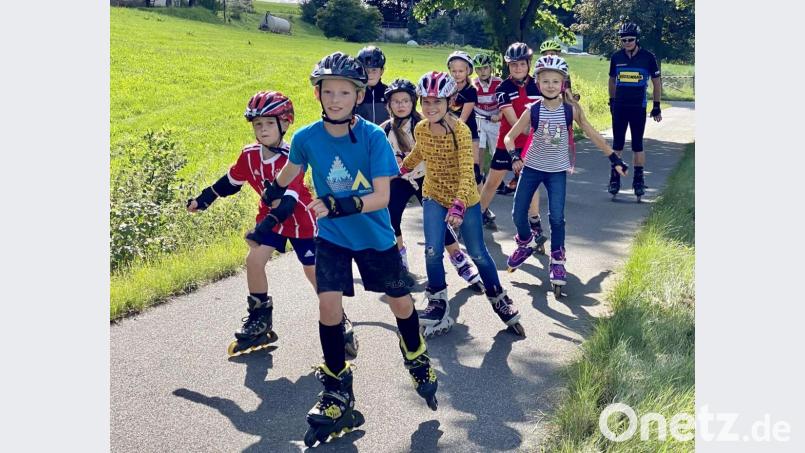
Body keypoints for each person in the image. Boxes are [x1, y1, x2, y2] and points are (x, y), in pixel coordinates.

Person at [264, 52, 438, 447]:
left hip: (374, 237)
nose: (336, 99)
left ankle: (416, 355)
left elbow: (381, 195)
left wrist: (340, 204)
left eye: (345, 92)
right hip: (332, 237)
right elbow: (291, 171)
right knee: (328, 306)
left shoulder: (374, 137)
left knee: (401, 303)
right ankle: (337, 389)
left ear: (359, 96)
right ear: (317, 94)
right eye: (329, 92)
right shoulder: (308, 137)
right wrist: (274, 193)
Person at [186, 91, 357, 358]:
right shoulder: (250, 155)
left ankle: (339, 319)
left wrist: (261, 229)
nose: (262, 130)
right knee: (254, 261)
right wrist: (203, 199)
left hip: (301, 221)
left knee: (314, 274)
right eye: (257, 125)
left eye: (269, 123)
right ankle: (260, 319)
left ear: (285, 123)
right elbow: (230, 182)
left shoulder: (293, 156)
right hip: (269, 222)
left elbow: (288, 203)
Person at [400, 71, 526, 338]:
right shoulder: (421, 128)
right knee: (433, 250)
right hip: (434, 195)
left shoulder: (461, 131)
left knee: (478, 252)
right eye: (426, 102)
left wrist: (459, 204)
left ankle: (498, 297)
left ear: (450, 101)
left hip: (465, 199)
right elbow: (420, 152)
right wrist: (401, 168)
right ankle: (437, 302)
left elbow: (468, 173)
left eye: (437, 102)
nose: (430, 108)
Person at [504, 56, 628, 296]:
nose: (550, 85)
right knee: (517, 212)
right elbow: (510, 136)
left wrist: (614, 158)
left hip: (557, 171)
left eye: (555, 81)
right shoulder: (533, 111)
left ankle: (558, 259)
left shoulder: (570, 111)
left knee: (557, 217)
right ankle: (526, 241)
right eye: (545, 81)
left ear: (563, 83)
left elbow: (592, 134)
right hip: (531, 168)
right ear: (537, 83)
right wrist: (514, 156)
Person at [380, 78, 483, 293]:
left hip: (426, 177)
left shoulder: (423, 123)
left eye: (406, 101)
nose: (401, 105)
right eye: (395, 101)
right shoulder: (384, 129)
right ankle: (400, 260)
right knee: (391, 216)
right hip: (401, 178)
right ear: (388, 105)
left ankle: (458, 257)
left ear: (413, 103)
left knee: (438, 223)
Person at [477, 43, 547, 253]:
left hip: (532, 146)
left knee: (531, 186)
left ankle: (535, 225)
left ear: (528, 65)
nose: (518, 68)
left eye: (522, 64)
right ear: (508, 66)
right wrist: (538, 129)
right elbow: (515, 122)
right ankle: (477, 217)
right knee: (492, 183)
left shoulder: (539, 86)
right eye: (513, 64)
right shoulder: (503, 89)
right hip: (507, 143)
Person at [607, 21, 662, 201]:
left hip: (638, 107)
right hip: (620, 107)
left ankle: (638, 179)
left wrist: (656, 105)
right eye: (623, 40)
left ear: (637, 39)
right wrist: (612, 101)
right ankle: (615, 178)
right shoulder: (616, 57)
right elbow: (612, 80)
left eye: (630, 39)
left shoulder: (648, 57)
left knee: (638, 144)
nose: (627, 42)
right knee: (618, 144)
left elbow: (656, 83)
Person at [471, 53, 512, 195]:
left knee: (497, 152)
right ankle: (479, 181)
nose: (482, 71)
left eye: (485, 68)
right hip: (480, 120)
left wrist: (500, 115)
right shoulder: (473, 84)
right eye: (479, 69)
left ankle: (497, 181)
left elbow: (505, 103)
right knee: (479, 150)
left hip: (495, 120)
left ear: (491, 68)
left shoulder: (498, 83)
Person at [446, 51, 483, 192]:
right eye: (453, 71)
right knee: (453, 169)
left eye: (461, 71)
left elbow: (463, 118)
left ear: (468, 70)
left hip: (468, 132)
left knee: (474, 170)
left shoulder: (470, 90)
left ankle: (481, 205)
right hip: (449, 132)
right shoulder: (447, 88)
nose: (457, 74)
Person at [355, 45, 390, 125]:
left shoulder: (389, 93)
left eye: (374, 70)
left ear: (382, 71)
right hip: (360, 136)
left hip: (383, 136)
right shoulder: (355, 92)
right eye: (366, 70)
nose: (370, 74)